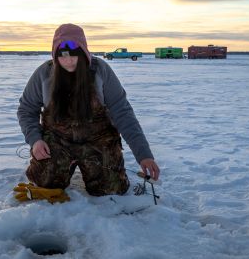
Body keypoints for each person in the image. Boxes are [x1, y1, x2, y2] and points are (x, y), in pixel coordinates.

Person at [17, 23, 159, 196]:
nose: (68, 61)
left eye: (74, 56)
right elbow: (26, 109)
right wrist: (35, 140)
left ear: (84, 53)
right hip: (58, 140)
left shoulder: (101, 70)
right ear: (55, 56)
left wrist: (143, 154)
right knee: (45, 183)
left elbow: (122, 112)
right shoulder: (44, 74)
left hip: (98, 140)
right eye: (62, 57)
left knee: (111, 190)